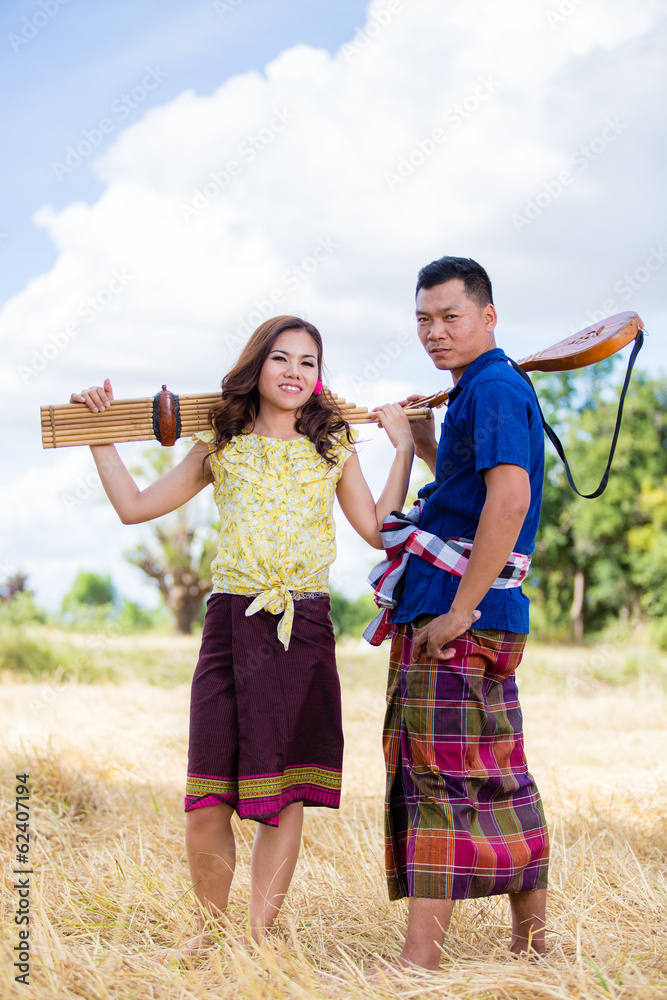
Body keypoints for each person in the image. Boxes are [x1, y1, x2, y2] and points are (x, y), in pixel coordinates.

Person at [70, 315, 414, 954]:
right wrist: (98, 437)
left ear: (318, 375)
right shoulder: (220, 441)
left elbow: (375, 528)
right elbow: (134, 507)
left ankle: (255, 943)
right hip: (230, 625)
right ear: (257, 366)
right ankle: (208, 934)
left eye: (308, 362)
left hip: (302, 626)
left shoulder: (333, 443)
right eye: (280, 358)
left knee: (281, 797)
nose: (293, 372)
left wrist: (403, 450)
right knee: (207, 799)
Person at [376, 257, 549, 972]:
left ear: (488, 316)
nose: (434, 331)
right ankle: (534, 946)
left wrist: (458, 609)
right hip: (477, 613)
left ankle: (419, 963)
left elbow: (508, 502)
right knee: (495, 774)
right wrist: (416, 440)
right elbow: (461, 495)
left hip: (461, 618)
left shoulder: (497, 388)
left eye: (449, 316)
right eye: (423, 319)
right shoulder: (475, 390)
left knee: (439, 780)